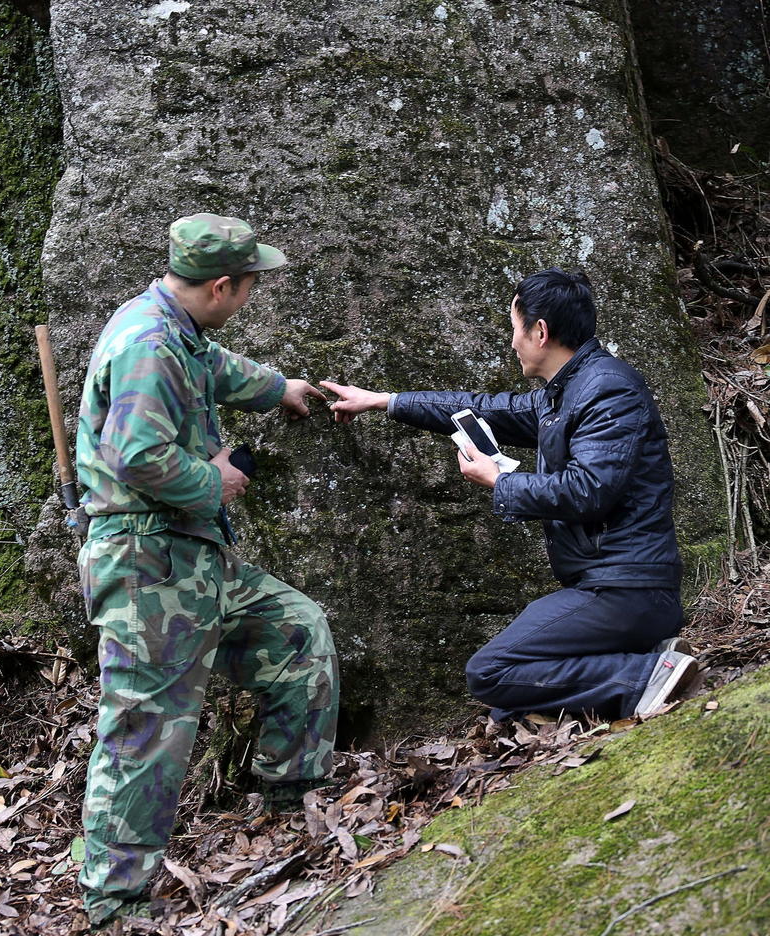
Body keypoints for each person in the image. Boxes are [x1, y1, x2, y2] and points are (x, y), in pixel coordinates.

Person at [75, 214, 338, 930]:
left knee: (296, 631)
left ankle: (291, 807)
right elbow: (135, 455)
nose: (251, 295)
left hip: (192, 561)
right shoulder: (147, 343)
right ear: (220, 286)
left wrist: (281, 385)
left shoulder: (179, 331)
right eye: (250, 285)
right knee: (147, 730)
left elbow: (217, 369)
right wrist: (212, 480)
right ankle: (113, 904)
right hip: (145, 564)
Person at [321, 267, 699, 728]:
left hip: (627, 587)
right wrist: (384, 400)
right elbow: (483, 408)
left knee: (491, 672)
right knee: (510, 704)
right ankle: (643, 661)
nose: (511, 341)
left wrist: (499, 483)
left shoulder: (608, 389)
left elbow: (590, 490)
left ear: (539, 331)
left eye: (514, 327)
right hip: (607, 585)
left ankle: (645, 673)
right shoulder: (563, 392)